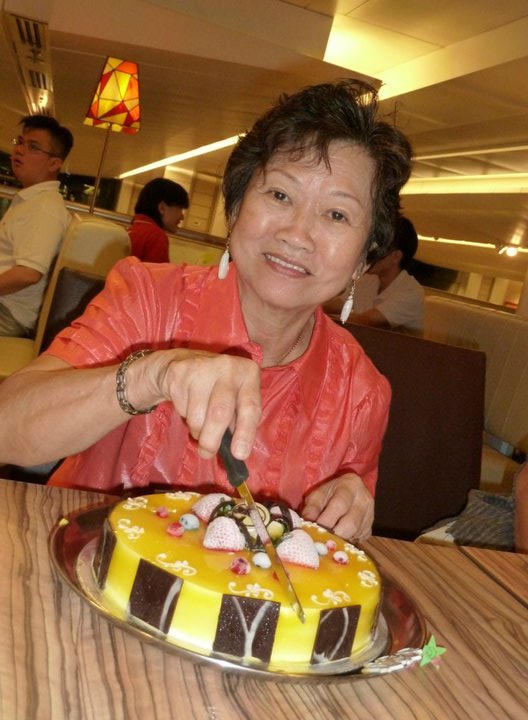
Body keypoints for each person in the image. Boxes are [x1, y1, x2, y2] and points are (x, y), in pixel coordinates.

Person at [0, 80, 412, 541]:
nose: (297, 235)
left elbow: (335, 542)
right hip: (81, 561)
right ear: (234, 209)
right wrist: (150, 375)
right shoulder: (148, 297)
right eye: (280, 195)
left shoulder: (361, 392)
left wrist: (349, 508)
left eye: (337, 215)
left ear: (362, 258)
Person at [0, 115, 74, 337]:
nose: (19, 150)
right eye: (20, 142)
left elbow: (29, 274)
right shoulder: (31, 200)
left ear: (54, 164)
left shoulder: (45, 207)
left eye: (32, 147)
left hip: (8, 313)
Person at [325, 214, 424, 333]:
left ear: (395, 257)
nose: (368, 255)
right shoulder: (367, 281)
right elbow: (337, 306)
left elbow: (364, 323)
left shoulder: (411, 292)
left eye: (377, 250)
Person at [128, 178, 189, 263]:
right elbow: (159, 271)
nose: (182, 217)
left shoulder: (133, 230)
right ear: (162, 208)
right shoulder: (156, 236)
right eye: (179, 209)